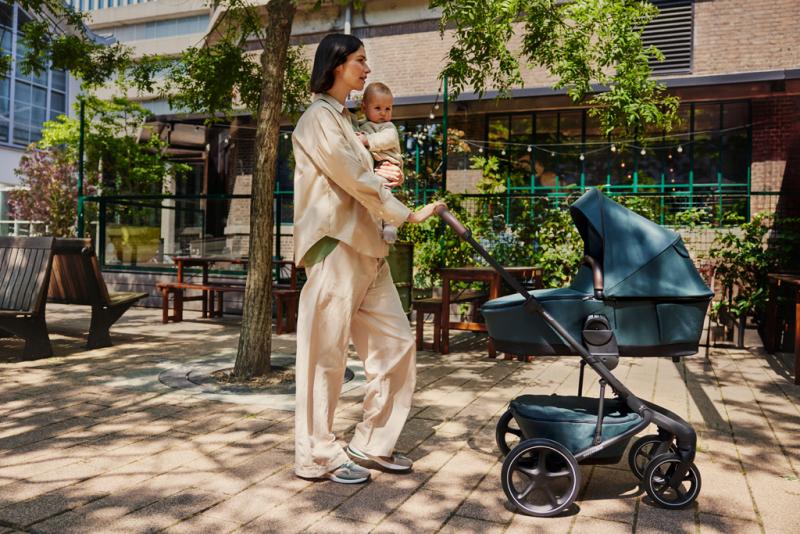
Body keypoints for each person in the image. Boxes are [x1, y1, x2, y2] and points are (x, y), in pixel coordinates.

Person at [291, 33, 445, 485]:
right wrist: (405, 213)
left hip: (369, 248)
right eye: (360, 60)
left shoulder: (347, 121)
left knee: (396, 345)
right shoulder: (318, 118)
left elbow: (364, 174)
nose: (367, 68)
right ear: (337, 64)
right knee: (324, 355)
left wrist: (387, 175)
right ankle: (317, 455)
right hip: (336, 246)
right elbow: (353, 177)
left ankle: (372, 443)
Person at [355, 82, 403, 244]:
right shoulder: (361, 124)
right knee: (377, 194)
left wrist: (367, 140)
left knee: (384, 192)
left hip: (388, 164)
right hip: (376, 167)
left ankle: (390, 224)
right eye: (377, 108)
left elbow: (388, 139)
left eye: (388, 109)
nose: (383, 113)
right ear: (364, 108)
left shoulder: (388, 127)